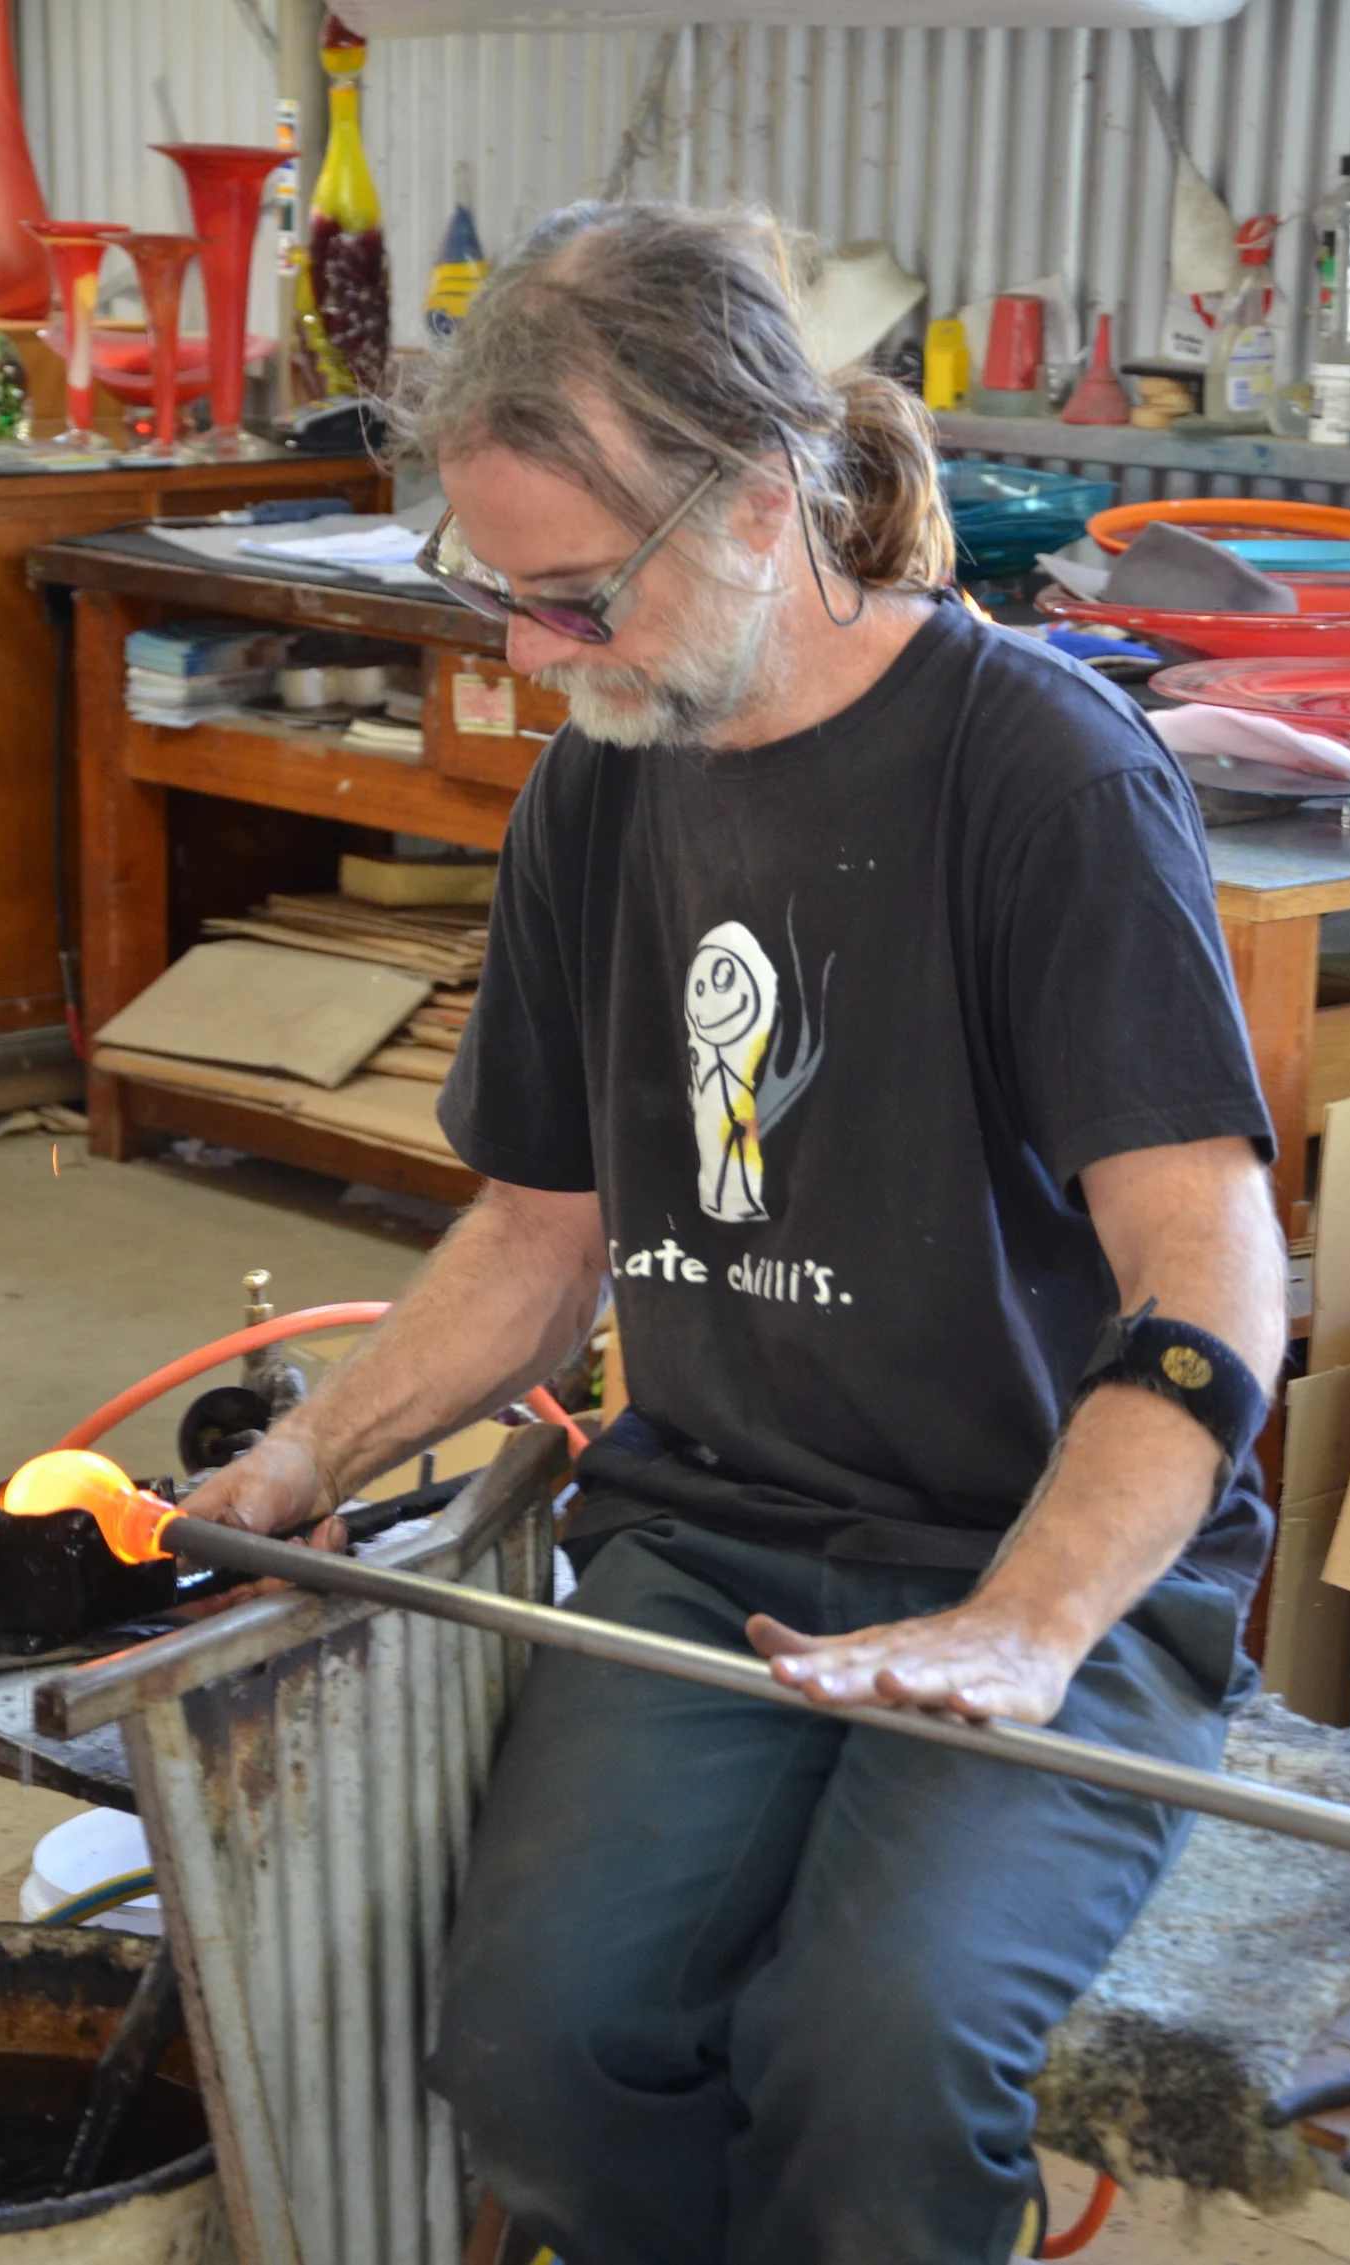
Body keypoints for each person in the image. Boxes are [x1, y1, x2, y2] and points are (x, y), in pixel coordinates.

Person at [190, 202, 1287, 2265]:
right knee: (536, 2041)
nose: (532, 658)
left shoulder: (1042, 777)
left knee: (877, 2058)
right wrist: (308, 1454)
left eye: (579, 597)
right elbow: (541, 1231)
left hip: (1033, 1553)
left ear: (768, 499)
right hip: (706, 1540)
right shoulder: (597, 791)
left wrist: (1030, 1620)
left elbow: (1213, 1265)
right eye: (500, 595)